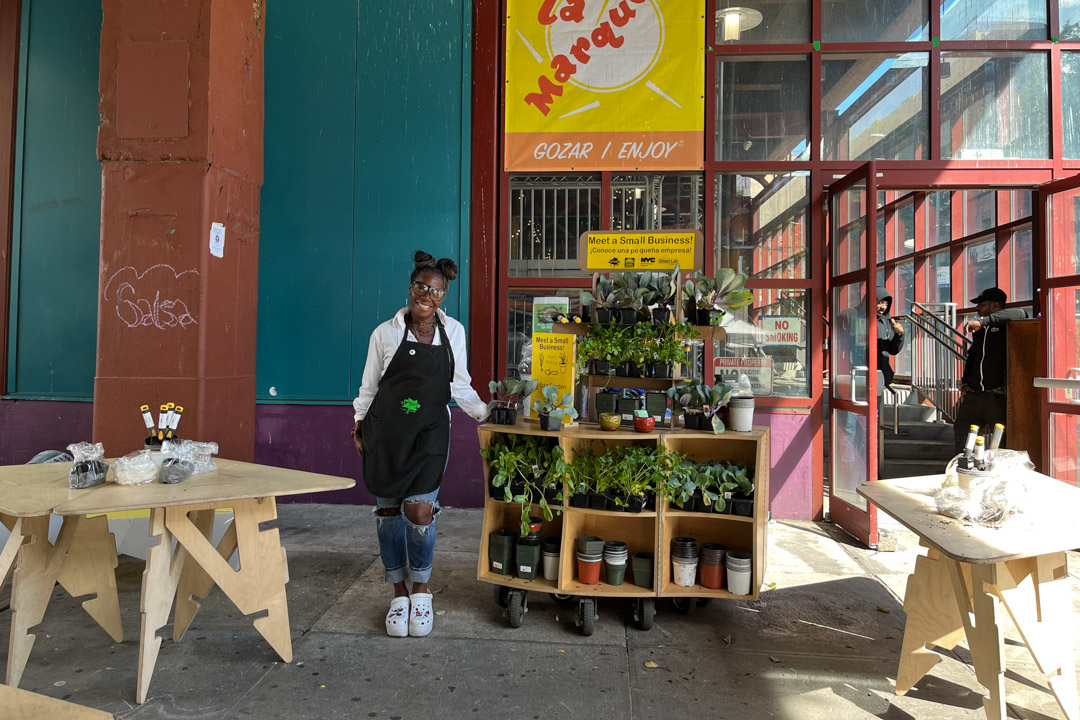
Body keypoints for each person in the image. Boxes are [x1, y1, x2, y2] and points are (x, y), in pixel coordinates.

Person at [352, 250, 488, 638]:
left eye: (436, 291)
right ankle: (397, 593)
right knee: (389, 511)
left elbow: (459, 384)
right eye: (421, 287)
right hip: (386, 432)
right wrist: (358, 426)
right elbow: (369, 387)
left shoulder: (454, 332)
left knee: (419, 510)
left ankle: (422, 590)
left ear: (444, 296)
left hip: (429, 431)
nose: (427, 296)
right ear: (410, 287)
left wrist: (485, 413)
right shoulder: (386, 332)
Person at [953, 287, 1028, 455]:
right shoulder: (981, 330)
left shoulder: (1007, 324)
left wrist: (983, 322)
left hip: (996, 397)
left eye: (982, 304)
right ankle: (963, 468)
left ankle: (997, 474)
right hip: (974, 396)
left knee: (1002, 442)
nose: (977, 308)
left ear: (995, 305)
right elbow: (973, 357)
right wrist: (965, 381)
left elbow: (1021, 313)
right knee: (962, 433)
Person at [876, 287, 905, 389]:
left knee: (878, 402)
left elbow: (893, 350)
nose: (883, 307)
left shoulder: (888, 322)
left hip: (883, 375)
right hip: (863, 373)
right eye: (880, 303)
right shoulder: (861, 320)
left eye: (886, 304)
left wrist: (899, 335)